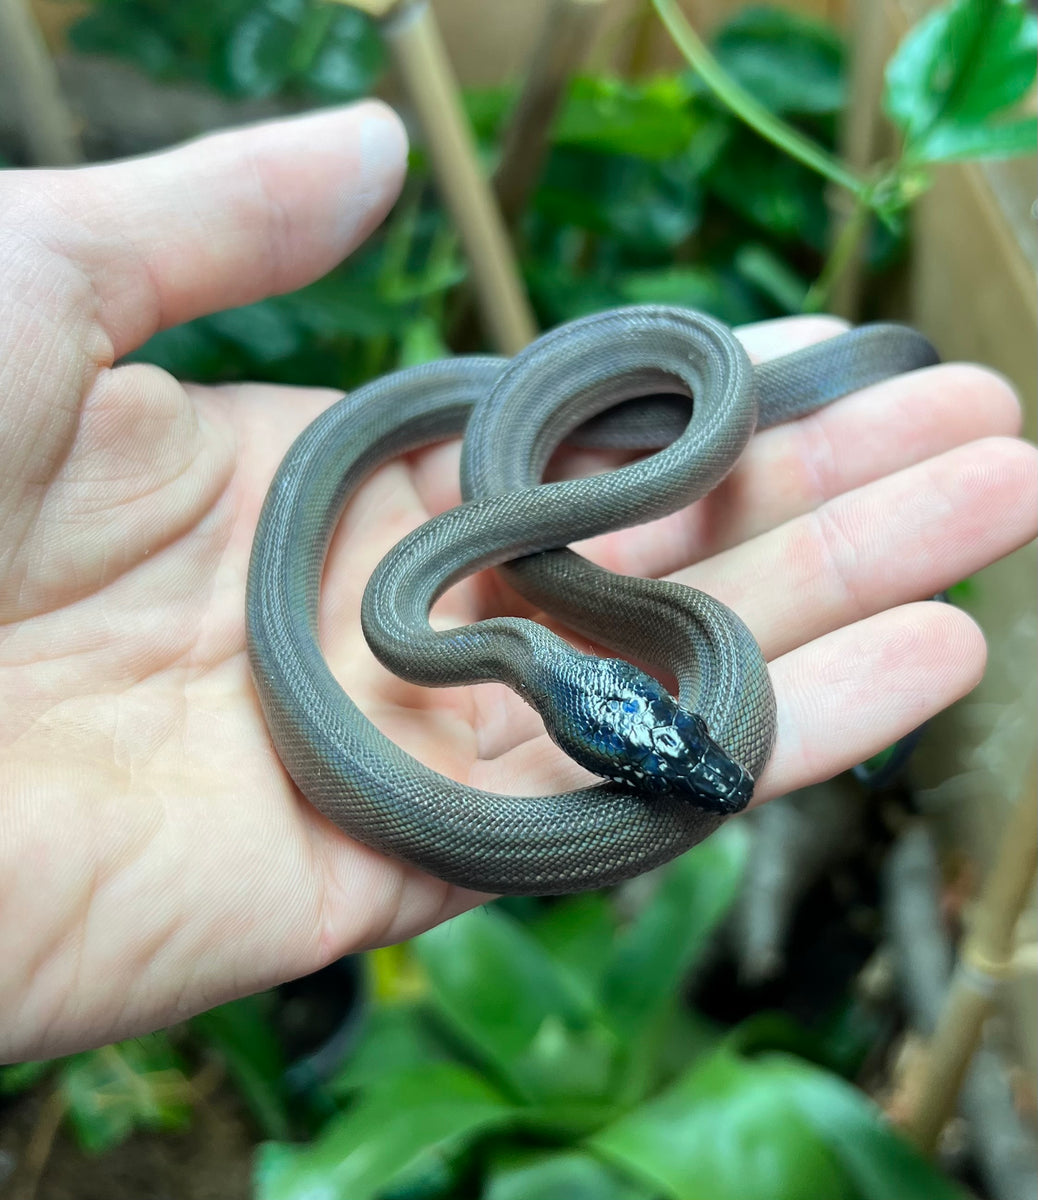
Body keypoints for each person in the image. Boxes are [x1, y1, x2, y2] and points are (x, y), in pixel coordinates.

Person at [0, 101, 1034, 1066]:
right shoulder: (428, 628)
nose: (677, 783)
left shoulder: (483, 613)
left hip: (565, 495)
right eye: (639, 772)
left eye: (658, 747)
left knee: (624, 450)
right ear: (573, 730)